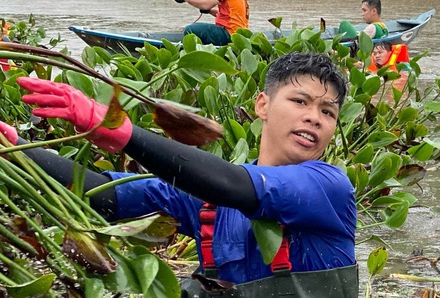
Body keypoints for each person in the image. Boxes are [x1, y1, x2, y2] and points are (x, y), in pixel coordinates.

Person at [1, 52, 358, 297]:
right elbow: (102, 196)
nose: (314, 117)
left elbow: (234, 185)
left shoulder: (328, 186)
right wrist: (14, 149)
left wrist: (126, 134)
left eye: (327, 112)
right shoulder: (206, 202)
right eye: (300, 101)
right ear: (262, 105)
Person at [170, 0, 249, 46]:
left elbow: (206, 4)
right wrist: (210, 11)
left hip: (228, 34)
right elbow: (232, 16)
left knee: (189, 30)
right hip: (239, 36)